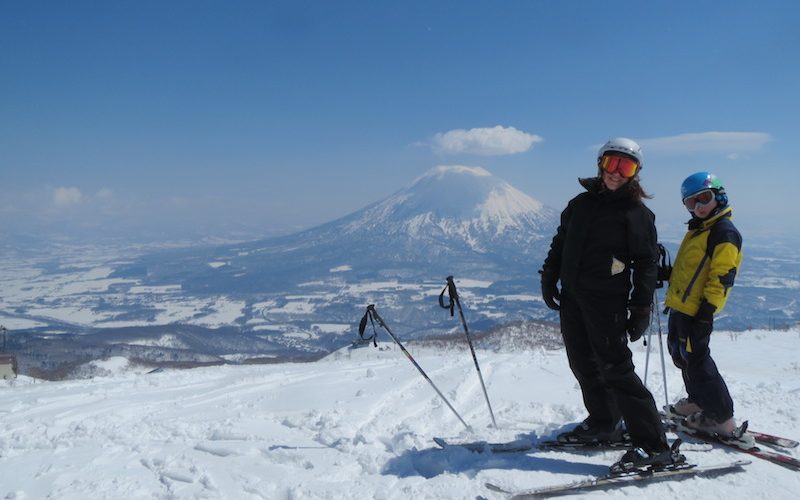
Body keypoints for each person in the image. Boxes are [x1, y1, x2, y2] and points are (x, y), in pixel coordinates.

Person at [540, 137, 683, 472]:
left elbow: (646, 263)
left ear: (635, 173)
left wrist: (641, 308)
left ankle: (654, 445)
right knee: (583, 363)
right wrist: (549, 275)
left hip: (607, 303)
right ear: (600, 163)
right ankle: (604, 422)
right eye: (612, 163)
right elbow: (561, 242)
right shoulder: (580, 204)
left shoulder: (636, 214)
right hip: (574, 298)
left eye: (626, 166)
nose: (617, 173)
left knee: (617, 371)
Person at [664, 172, 742, 436]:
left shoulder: (723, 232)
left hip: (697, 311)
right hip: (681, 307)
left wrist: (707, 313)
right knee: (681, 355)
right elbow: (690, 270)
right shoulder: (700, 229)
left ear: (719, 195)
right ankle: (698, 400)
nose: (698, 207)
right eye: (691, 203)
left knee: (697, 360)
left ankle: (721, 418)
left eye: (704, 199)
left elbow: (722, 276)